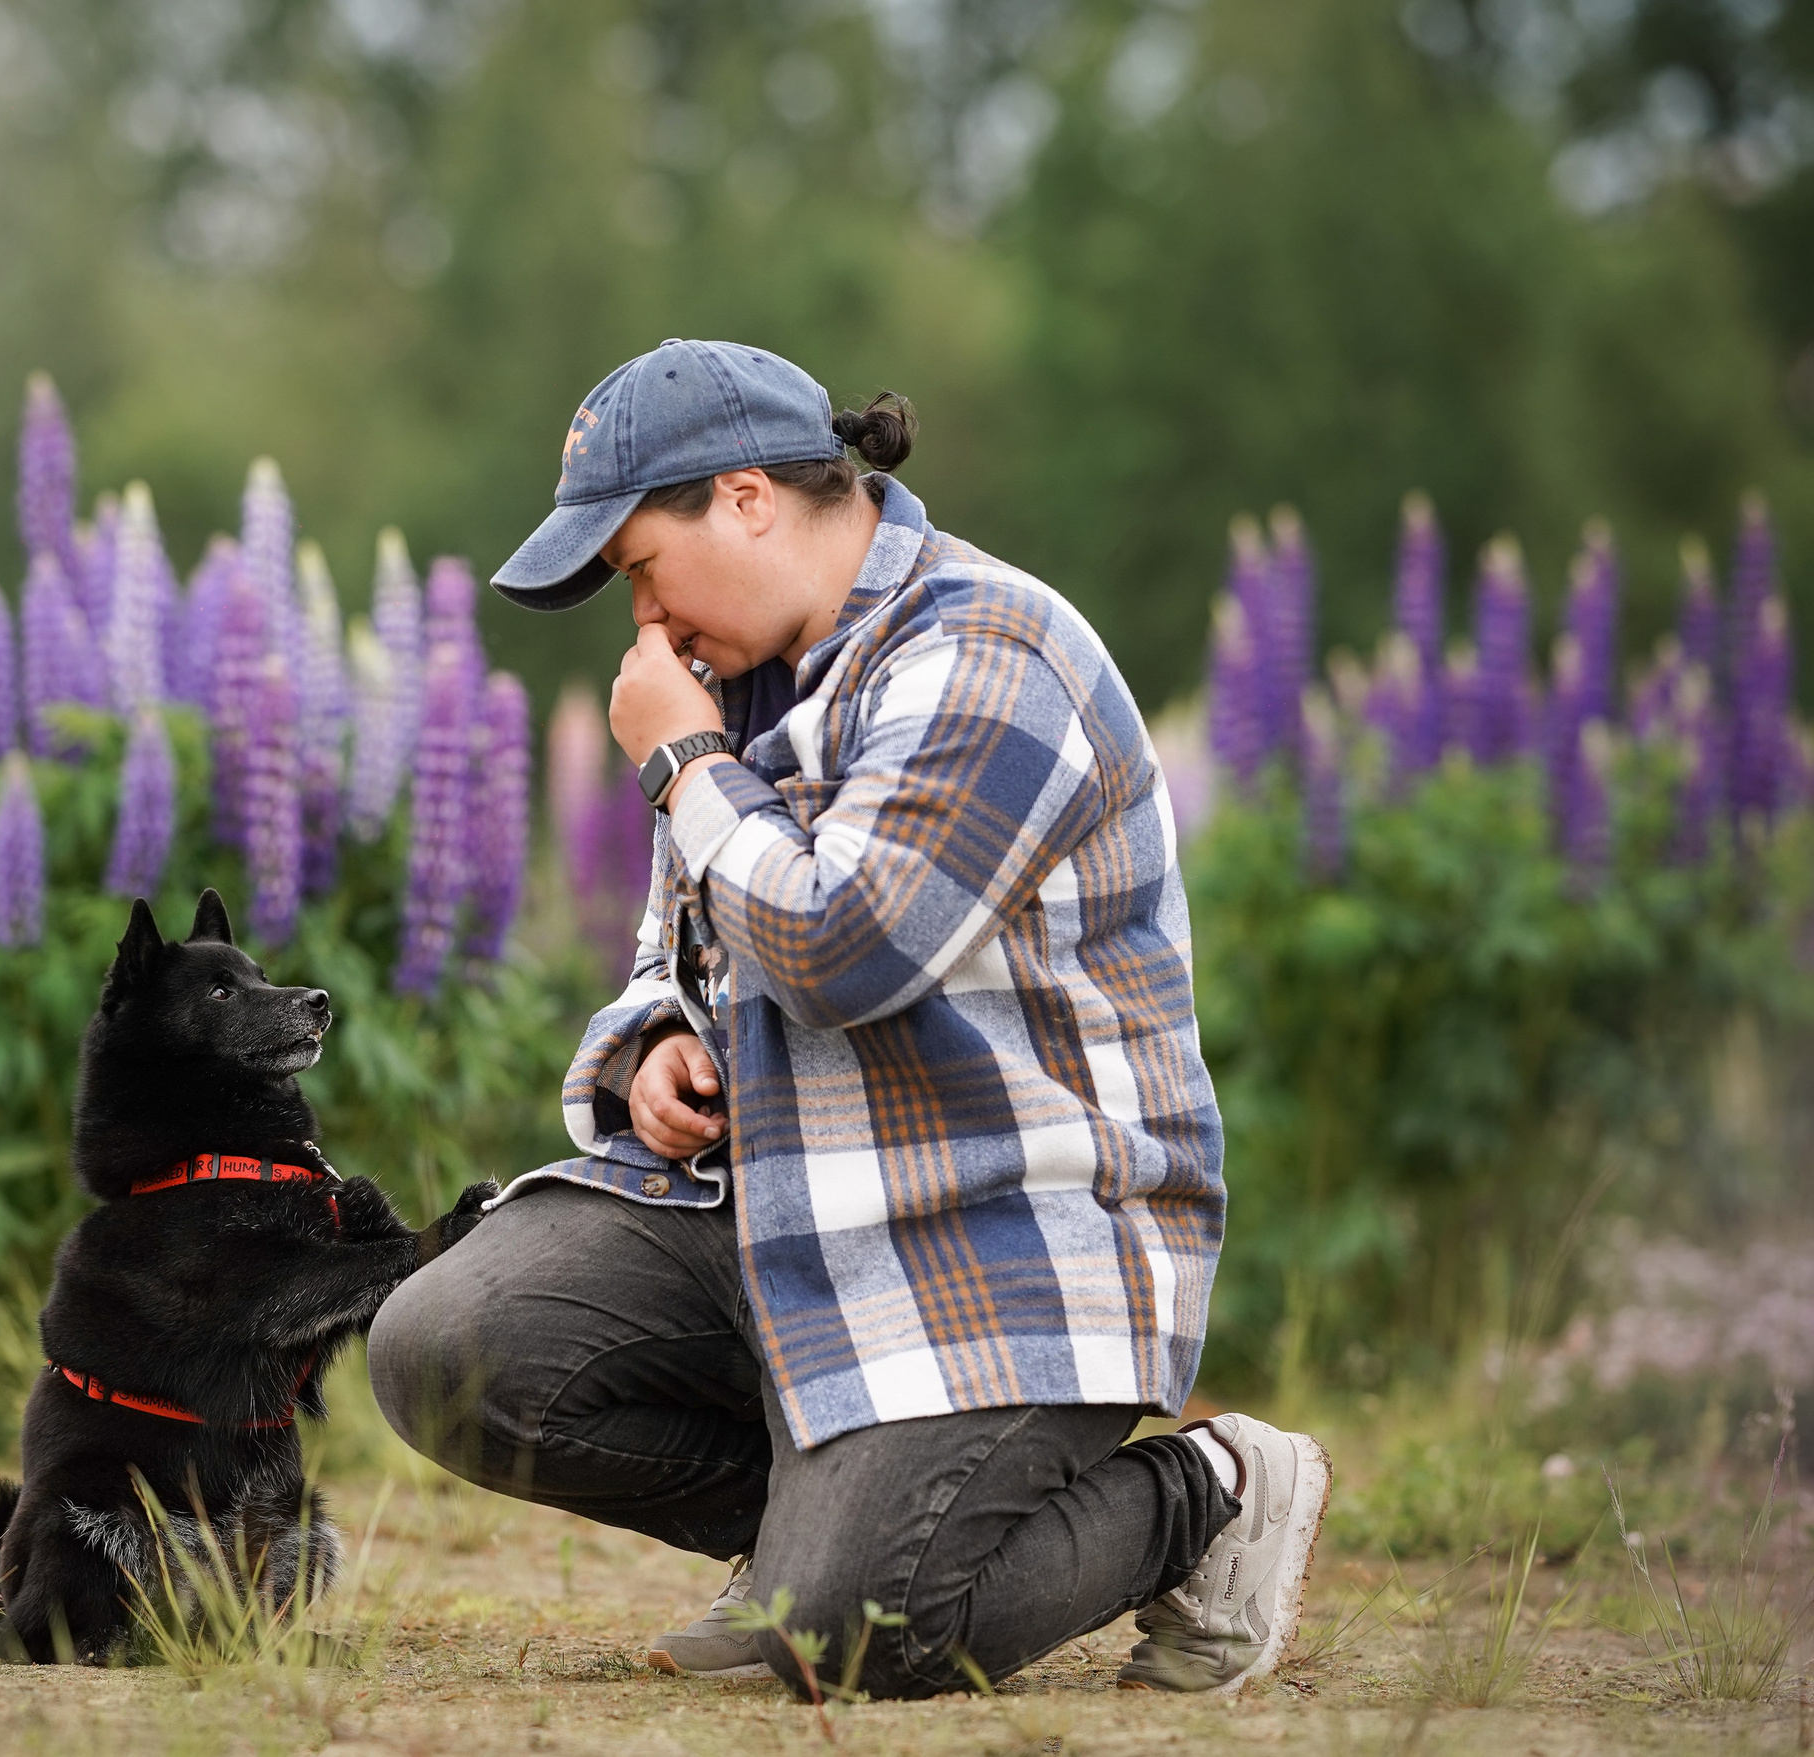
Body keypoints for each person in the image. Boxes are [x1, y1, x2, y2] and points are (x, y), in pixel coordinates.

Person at [367, 340, 1328, 1699]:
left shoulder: (989, 652)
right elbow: (675, 944)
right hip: (794, 1215)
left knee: (853, 1637)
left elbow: (840, 944)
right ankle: (822, 1531)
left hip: (1007, 1238)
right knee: (442, 1351)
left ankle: (1209, 1492)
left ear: (748, 498)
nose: (641, 622)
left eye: (642, 568)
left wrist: (688, 764)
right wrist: (655, 1044)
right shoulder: (742, 683)